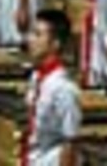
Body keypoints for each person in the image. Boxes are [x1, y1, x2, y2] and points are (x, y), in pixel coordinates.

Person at [22, 9, 81, 166]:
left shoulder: (64, 89)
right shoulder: (36, 77)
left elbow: (70, 141)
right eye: (31, 33)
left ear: (55, 44)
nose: (30, 40)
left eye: (37, 35)